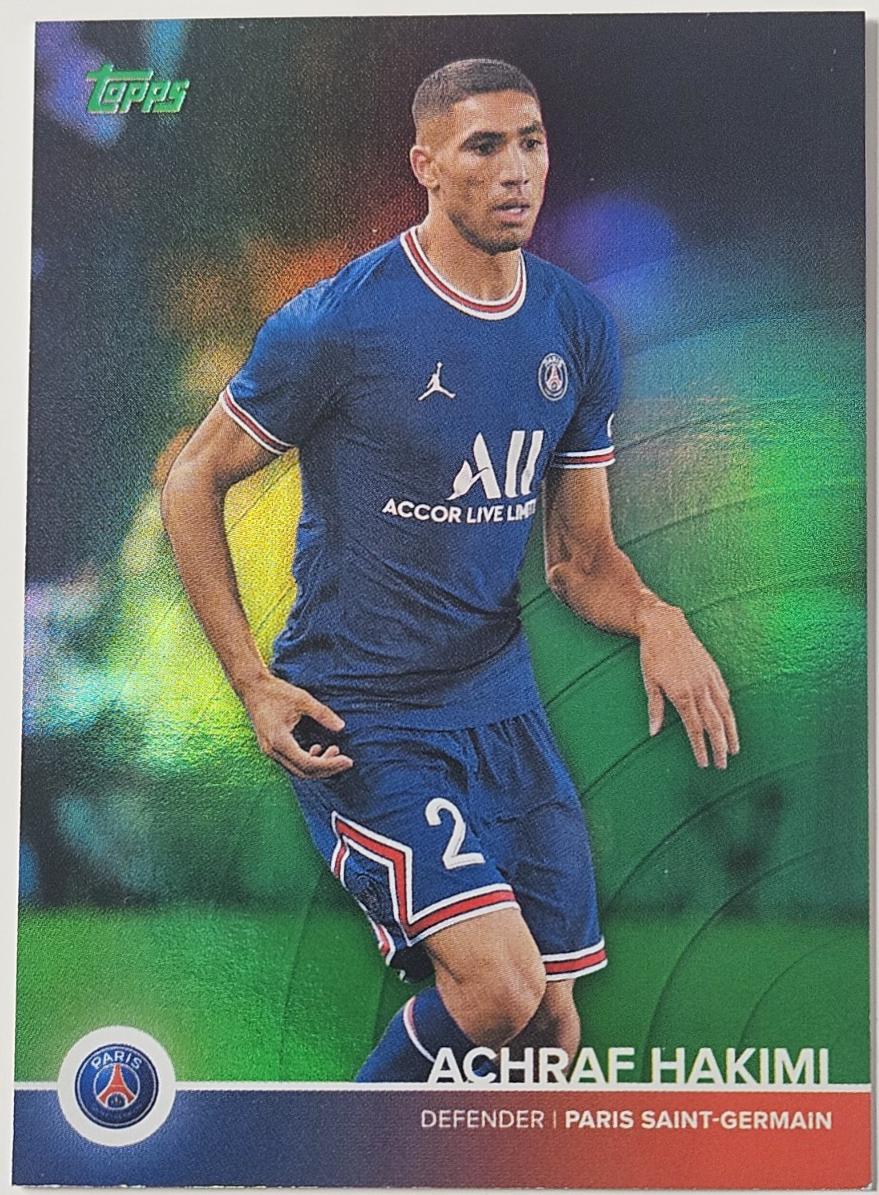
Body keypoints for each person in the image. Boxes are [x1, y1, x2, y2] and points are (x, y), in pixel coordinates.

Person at [161, 58, 739, 1082]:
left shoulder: (574, 326)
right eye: (484, 146)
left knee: (549, 1029)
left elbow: (580, 562)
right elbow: (192, 477)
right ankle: (332, 1154)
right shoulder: (338, 322)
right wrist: (250, 679)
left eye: (532, 142)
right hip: (364, 711)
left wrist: (658, 616)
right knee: (498, 989)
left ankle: (419, 1156)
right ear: (425, 165)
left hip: (502, 710)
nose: (517, 169)